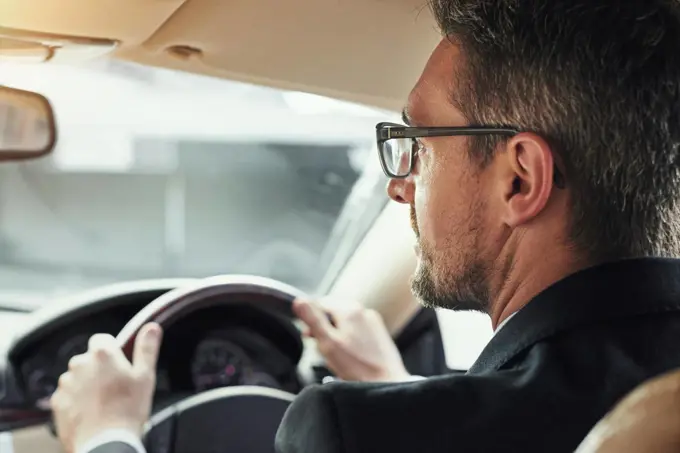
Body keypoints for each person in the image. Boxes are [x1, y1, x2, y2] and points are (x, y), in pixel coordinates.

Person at [50, 0, 680, 452]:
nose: (398, 184)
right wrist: (401, 389)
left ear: (520, 179)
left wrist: (105, 435)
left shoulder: (354, 433)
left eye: (418, 142)